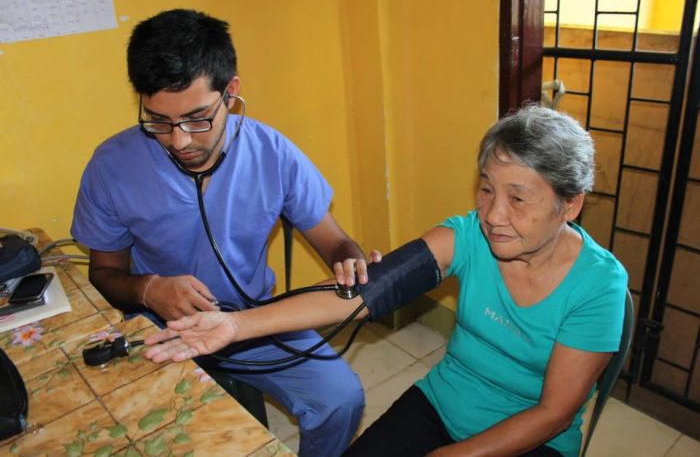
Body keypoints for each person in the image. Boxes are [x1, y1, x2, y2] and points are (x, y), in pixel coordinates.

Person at [143, 104, 628, 457]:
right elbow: (360, 296)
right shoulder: (466, 236)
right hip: (443, 404)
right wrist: (235, 325)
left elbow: (555, 413)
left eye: (518, 199)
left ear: (570, 204)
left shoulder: (598, 286)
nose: (493, 215)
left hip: (530, 438)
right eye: (486, 189)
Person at [71, 9, 381, 457]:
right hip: (161, 330)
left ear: (230, 92)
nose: (179, 141)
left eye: (198, 119)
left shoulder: (272, 152)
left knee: (340, 399)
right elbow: (104, 272)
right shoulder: (112, 166)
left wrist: (350, 257)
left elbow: (334, 241)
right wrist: (149, 290)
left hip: (254, 321)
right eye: (158, 121)